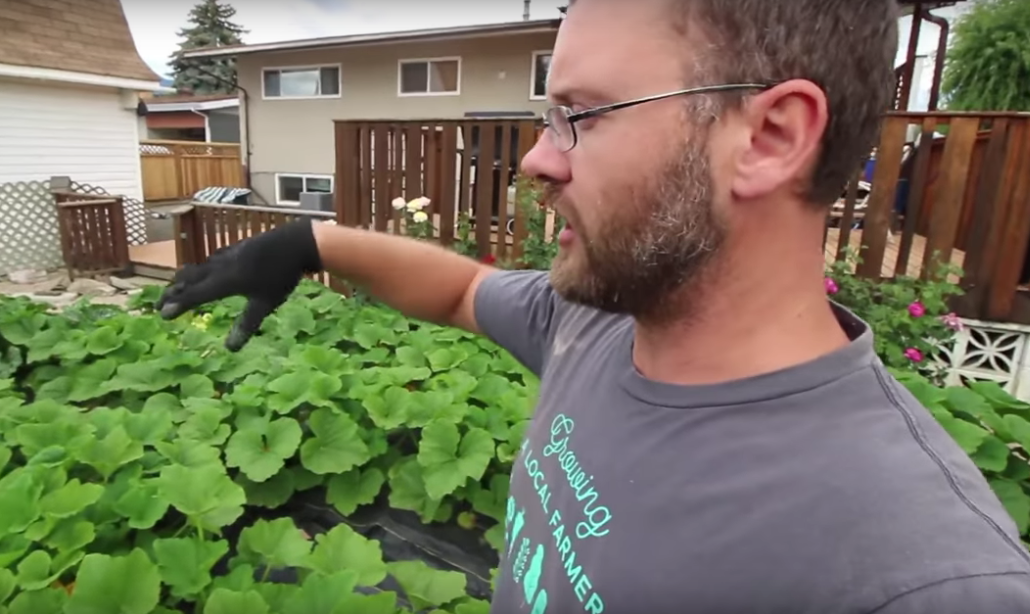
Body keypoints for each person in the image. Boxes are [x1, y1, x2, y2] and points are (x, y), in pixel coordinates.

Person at [157, 0, 1030, 612]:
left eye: (582, 114)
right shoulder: (598, 327)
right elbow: (463, 289)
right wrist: (311, 244)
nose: (537, 159)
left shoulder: (921, 576)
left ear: (768, 138)